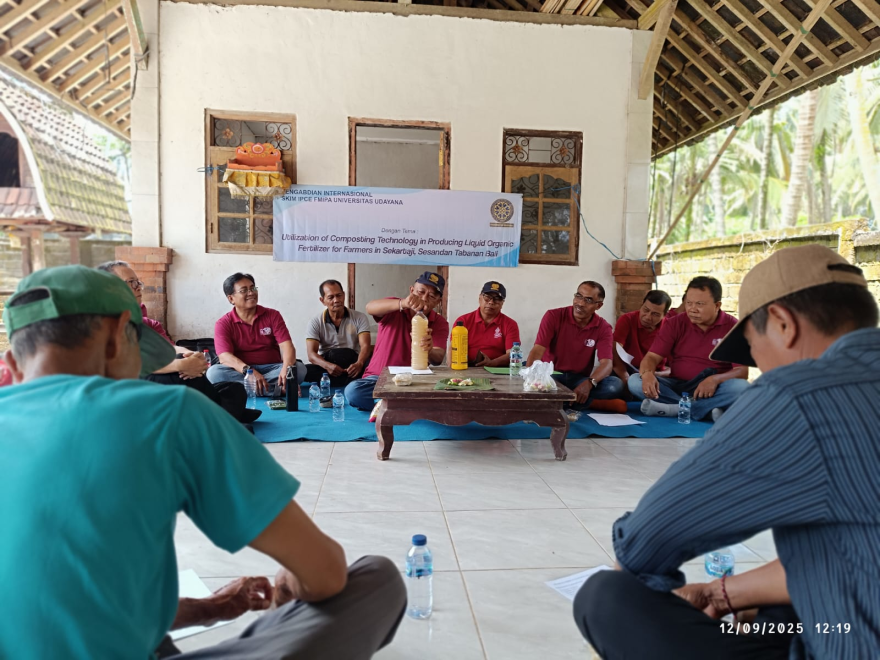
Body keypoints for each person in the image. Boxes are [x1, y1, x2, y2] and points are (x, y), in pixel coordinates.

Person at [0, 265, 406, 659]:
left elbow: (71, 605)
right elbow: (325, 574)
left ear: (14, 362)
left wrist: (208, 609)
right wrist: (290, 587)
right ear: (113, 339)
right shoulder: (168, 413)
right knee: (376, 579)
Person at [573, 244, 880, 660]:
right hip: (845, 613)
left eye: (754, 349)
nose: (761, 366)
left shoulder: (799, 396)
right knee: (776, 607)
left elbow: (650, 538)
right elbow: (851, 551)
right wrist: (723, 591)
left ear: (783, 324)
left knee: (607, 598)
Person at [96, 260, 259, 424]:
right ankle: (225, 418)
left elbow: (172, 348)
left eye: (138, 282)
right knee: (184, 377)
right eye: (131, 283)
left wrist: (193, 356)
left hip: (265, 369)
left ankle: (219, 417)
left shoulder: (147, 324)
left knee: (234, 389)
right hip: (130, 389)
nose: (138, 287)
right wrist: (180, 365)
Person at [628, 276, 749, 421]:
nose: (692, 309)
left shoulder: (733, 327)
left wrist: (715, 380)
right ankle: (704, 410)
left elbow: (742, 371)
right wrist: (647, 374)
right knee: (635, 381)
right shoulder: (675, 323)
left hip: (712, 389)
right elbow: (652, 357)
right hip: (677, 385)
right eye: (689, 303)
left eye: (699, 304)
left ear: (717, 305)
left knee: (741, 387)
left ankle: (676, 408)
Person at [345, 271, 449, 410]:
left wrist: (429, 350)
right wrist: (404, 303)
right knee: (353, 392)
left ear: (437, 302)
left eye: (431, 296)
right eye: (420, 292)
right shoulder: (394, 307)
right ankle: (407, 405)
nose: (424, 298)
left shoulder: (439, 322)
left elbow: (438, 358)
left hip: (415, 380)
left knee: (447, 393)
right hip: (380, 378)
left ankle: (388, 404)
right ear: (411, 290)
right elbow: (370, 307)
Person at [526, 281, 625, 409]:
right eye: (578, 296)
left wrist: (589, 383)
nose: (580, 303)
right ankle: (588, 403)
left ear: (598, 306)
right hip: (551, 375)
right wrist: (531, 379)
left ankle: (555, 401)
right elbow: (537, 350)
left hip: (579, 379)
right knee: (522, 376)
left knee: (614, 385)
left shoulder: (603, 327)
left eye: (588, 300)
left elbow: (607, 364)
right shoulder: (553, 316)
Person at [206, 272, 305, 397]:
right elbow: (225, 357)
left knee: (300, 369)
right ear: (231, 298)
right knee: (214, 373)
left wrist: (286, 368)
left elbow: (287, 346)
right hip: (242, 371)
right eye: (244, 290)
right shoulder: (223, 323)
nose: (251, 293)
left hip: (272, 368)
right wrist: (250, 372)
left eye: (253, 288)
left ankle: (250, 389)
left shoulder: (272, 315)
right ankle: (276, 390)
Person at [304, 280, 372, 388]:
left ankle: (344, 380)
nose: (336, 300)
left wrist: (359, 364)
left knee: (375, 367)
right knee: (301, 370)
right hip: (328, 366)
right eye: (331, 297)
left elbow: (365, 346)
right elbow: (311, 355)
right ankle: (347, 381)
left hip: (353, 364)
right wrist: (327, 366)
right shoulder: (315, 322)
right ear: (322, 300)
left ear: (344, 295)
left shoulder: (359, 317)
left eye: (339, 295)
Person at [611, 289, 672, 387]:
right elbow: (614, 351)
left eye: (655, 314)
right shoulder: (627, 320)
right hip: (627, 370)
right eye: (646, 310)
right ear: (641, 306)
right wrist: (625, 377)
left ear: (664, 315)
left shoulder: (670, 327)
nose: (648, 317)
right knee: (613, 386)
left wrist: (656, 375)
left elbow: (676, 367)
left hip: (655, 374)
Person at [453, 281, 520, 367]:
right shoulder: (463, 321)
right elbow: (453, 349)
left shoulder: (510, 324)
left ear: (502, 303)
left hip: (497, 370)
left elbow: (512, 354)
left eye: (497, 299)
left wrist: (493, 363)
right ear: (480, 298)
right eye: (487, 297)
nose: (491, 302)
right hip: (466, 368)